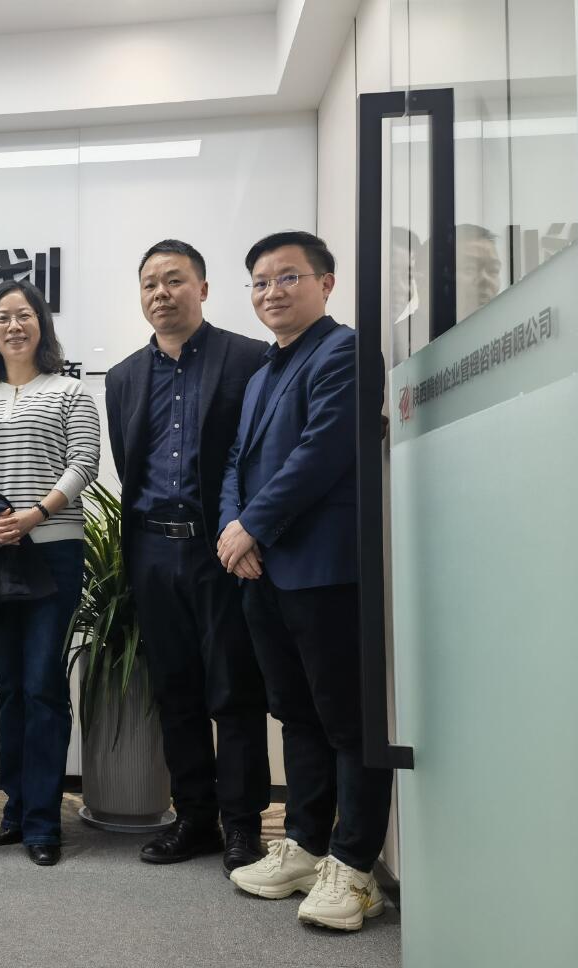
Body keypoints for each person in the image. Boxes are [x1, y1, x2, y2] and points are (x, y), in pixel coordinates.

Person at [219, 231, 391, 932]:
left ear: (326, 282)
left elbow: (323, 452)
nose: (272, 292)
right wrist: (234, 532)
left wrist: (252, 528)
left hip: (324, 568)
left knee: (348, 722)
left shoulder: (345, 351)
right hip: (264, 572)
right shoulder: (264, 372)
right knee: (295, 714)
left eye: (287, 277)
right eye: (260, 282)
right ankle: (306, 844)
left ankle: (354, 868)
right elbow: (236, 460)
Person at [104, 239, 271, 875]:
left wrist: (244, 529)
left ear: (202, 288)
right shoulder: (123, 377)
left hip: (220, 548)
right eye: (150, 283)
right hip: (151, 548)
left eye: (174, 281)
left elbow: (258, 454)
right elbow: (130, 463)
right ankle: (194, 817)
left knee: (234, 688)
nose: (161, 294)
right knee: (174, 689)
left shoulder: (248, 358)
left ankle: (243, 824)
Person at [0, 279, 99, 866]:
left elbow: (84, 461)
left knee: (43, 685)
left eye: (24, 315)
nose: (13, 325)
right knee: (10, 686)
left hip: (53, 552)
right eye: (2, 317)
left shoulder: (70, 391)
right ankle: (15, 807)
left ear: (42, 325)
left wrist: (35, 514)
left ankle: (42, 822)